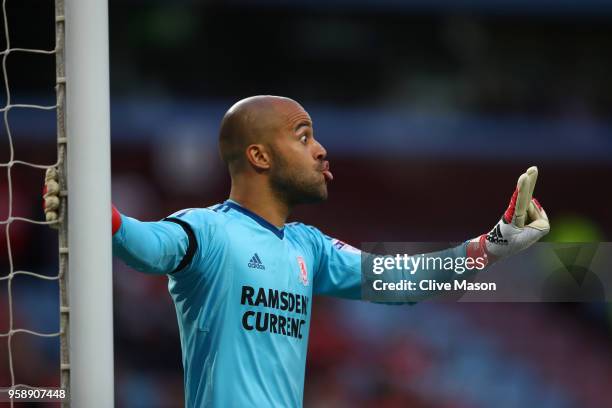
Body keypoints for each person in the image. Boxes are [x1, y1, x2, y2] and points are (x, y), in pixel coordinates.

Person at [43, 95, 549, 407]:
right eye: (303, 136)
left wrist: (495, 246)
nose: (320, 150)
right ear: (259, 156)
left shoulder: (309, 245)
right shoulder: (208, 231)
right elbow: (146, 246)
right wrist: (93, 210)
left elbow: (402, 281)